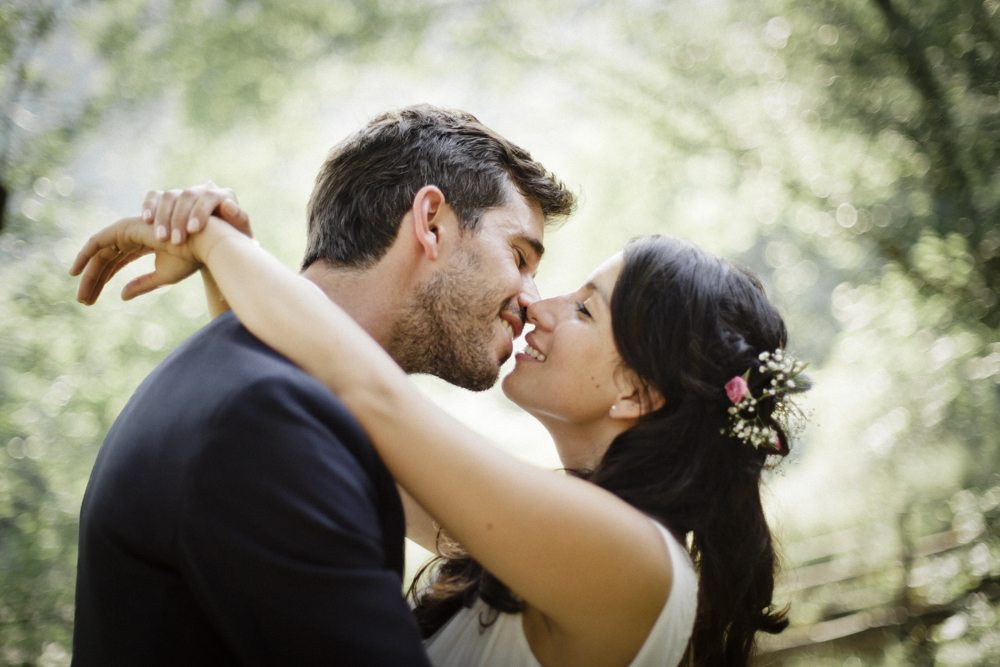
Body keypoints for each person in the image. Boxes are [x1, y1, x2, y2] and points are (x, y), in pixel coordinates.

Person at [73, 198, 809, 665]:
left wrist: (212, 241)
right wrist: (222, 270)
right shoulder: (547, 541)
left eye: (585, 308)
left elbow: (371, 393)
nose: (538, 305)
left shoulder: (631, 562)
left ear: (636, 392)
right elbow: (326, 408)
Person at [68, 105, 575, 665]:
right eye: (520, 256)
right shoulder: (270, 420)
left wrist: (224, 257)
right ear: (431, 223)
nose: (532, 299)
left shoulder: (255, 376)